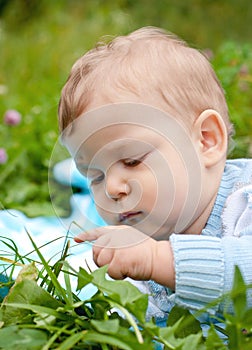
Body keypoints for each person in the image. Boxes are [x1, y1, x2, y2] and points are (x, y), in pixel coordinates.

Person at [58, 26, 252, 331]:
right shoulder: (142, 240)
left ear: (205, 140)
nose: (111, 188)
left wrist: (158, 260)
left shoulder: (245, 200)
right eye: (94, 176)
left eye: (132, 160)